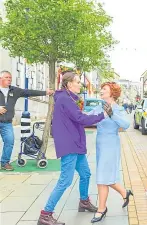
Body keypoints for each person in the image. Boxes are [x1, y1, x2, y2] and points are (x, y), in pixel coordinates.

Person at [37, 72, 108, 225]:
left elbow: (76, 117)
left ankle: (84, 201)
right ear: (69, 84)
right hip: (70, 144)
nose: (80, 84)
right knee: (65, 180)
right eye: (77, 82)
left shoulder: (67, 98)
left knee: (85, 174)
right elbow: (80, 119)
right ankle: (45, 214)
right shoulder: (64, 99)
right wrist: (102, 115)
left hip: (75, 143)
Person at [88, 82, 132, 223]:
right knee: (104, 176)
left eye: (104, 89)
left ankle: (101, 209)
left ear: (112, 93)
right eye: (101, 89)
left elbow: (125, 125)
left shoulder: (118, 109)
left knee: (103, 177)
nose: (101, 91)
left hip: (111, 145)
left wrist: (112, 115)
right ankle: (124, 193)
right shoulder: (98, 107)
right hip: (100, 145)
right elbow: (86, 119)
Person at [0, 70, 54, 171]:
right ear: (0, 79)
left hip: (6, 123)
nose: (9, 79)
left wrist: (45, 92)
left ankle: (4, 162)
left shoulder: (14, 90)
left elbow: (28, 92)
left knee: (10, 141)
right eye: (6, 77)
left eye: (10, 78)